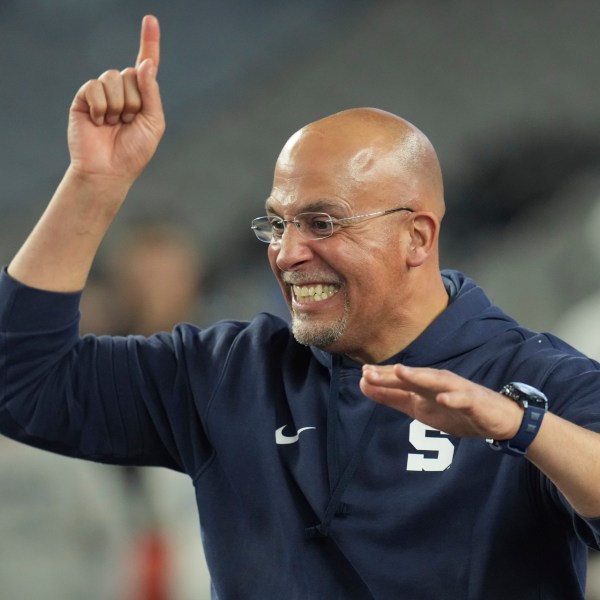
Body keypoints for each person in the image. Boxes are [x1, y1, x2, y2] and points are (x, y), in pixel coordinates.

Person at [1, 14, 600, 599]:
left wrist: (523, 429)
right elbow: (20, 383)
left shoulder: (534, 379)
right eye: (277, 223)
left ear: (417, 237)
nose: (287, 253)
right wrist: (93, 181)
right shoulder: (227, 372)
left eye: (321, 222)